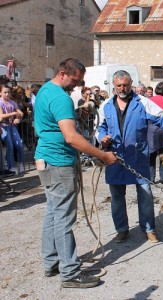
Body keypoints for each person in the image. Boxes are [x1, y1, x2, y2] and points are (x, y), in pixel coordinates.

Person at [34, 58, 118, 288]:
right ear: (63, 73)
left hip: (46, 158)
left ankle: (51, 262)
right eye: (75, 80)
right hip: (59, 162)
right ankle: (70, 273)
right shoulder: (60, 97)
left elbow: (59, 125)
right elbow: (71, 137)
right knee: (63, 218)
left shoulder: (45, 90)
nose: (77, 86)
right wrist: (102, 155)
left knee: (53, 212)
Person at [96, 70, 163, 245]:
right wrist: (102, 137)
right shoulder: (105, 106)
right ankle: (121, 230)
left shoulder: (143, 103)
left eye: (126, 85)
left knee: (145, 194)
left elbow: (162, 118)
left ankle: (149, 229)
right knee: (117, 196)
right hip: (115, 157)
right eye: (119, 85)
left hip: (138, 157)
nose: (122, 88)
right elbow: (100, 127)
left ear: (131, 85)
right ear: (113, 86)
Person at [0, 85, 25, 175]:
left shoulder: (12, 102)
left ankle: (21, 163)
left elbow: (21, 113)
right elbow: (1, 116)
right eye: (5, 92)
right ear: (0, 93)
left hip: (12, 126)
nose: (7, 94)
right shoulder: (0, 102)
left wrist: (17, 117)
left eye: (9, 92)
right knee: (9, 146)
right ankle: (11, 166)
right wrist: (13, 113)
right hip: (3, 127)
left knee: (19, 145)